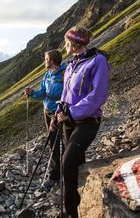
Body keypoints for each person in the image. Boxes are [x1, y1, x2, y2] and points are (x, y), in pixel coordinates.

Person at [51, 26, 109, 218]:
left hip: (88, 121)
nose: (64, 45)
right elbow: (66, 95)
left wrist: (72, 113)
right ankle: (84, 203)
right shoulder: (71, 65)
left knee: (67, 162)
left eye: (66, 42)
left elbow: (98, 95)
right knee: (76, 162)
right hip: (69, 120)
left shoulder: (98, 61)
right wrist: (57, 114)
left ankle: (71, 212)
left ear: (75, 43)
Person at [25, 49, 66, 191]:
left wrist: (61, 110)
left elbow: (69, 93)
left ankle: (55, 176)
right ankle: (58, 173)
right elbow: (43, 93)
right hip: (47, 112)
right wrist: (32, 93)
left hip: (60, 112)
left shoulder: (65, 73)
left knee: (60, 142)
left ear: (53, 60)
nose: (45, 61)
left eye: (46, 58)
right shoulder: (47, 75)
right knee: (53, 142)